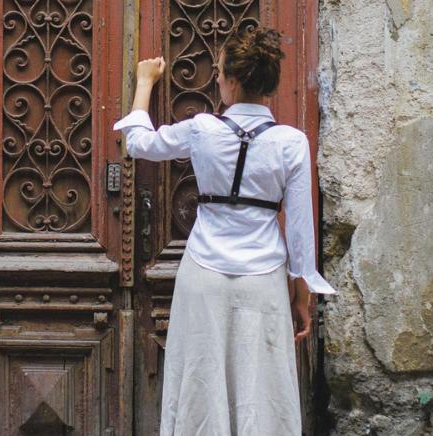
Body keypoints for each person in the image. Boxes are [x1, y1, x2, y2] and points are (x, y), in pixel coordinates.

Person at [113, 27, 334, 436]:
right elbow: (300, 229)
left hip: (204, 274)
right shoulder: (291, 142)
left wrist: (144, 83)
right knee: (262, 385)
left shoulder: (203, 129)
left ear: (232, 80)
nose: (216, 81)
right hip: (263, 278)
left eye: (218, 73)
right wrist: (302, 294)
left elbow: (138, 144)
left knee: (202, 377)